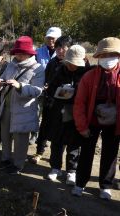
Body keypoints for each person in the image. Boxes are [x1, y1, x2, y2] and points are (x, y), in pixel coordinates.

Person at [72, 37, 120, 200]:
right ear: (98, 57)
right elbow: (79, 103)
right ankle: (80, 183)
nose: (108, 59)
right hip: (92, 118)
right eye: (104, 55)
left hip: (115, 121)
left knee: (110, 153)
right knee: (86, 151)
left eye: (113, 54)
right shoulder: (89, 76)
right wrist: (82, 126)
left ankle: (106, 186)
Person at [0, 36, 45, 174]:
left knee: (20, 140)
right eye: (17, 52)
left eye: (22, 52)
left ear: (29, 53)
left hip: (24, 110)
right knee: (5, 136)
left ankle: (18, 164)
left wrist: (19, 86)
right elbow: (4, 78)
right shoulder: (11, 64)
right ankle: (5, 159)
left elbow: (37, 91)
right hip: (6, 106)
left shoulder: (37, 69)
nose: (19, 55)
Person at [45, 45, 89, 184]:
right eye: (69, 63)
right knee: (56, 141)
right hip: (59, 111)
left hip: (76, 112)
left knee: (74, 143)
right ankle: (55, 167)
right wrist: (59, 91)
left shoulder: (86, 73)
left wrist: (75, 91)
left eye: (74, 64)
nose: (71, 66)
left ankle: (71, 171)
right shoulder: (59, 70)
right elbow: (51, 89)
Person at [30, 36, 73, 164]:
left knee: (62, 132)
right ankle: (39, 152)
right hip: (50, 101)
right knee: (45, 127)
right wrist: (46, 86)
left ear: (69, 49)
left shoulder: (74, 64)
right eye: (58, 48)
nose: (60, 51)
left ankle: (58, 158)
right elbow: (46, 79)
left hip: (67, 105)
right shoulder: (52, 62)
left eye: (63, 48)